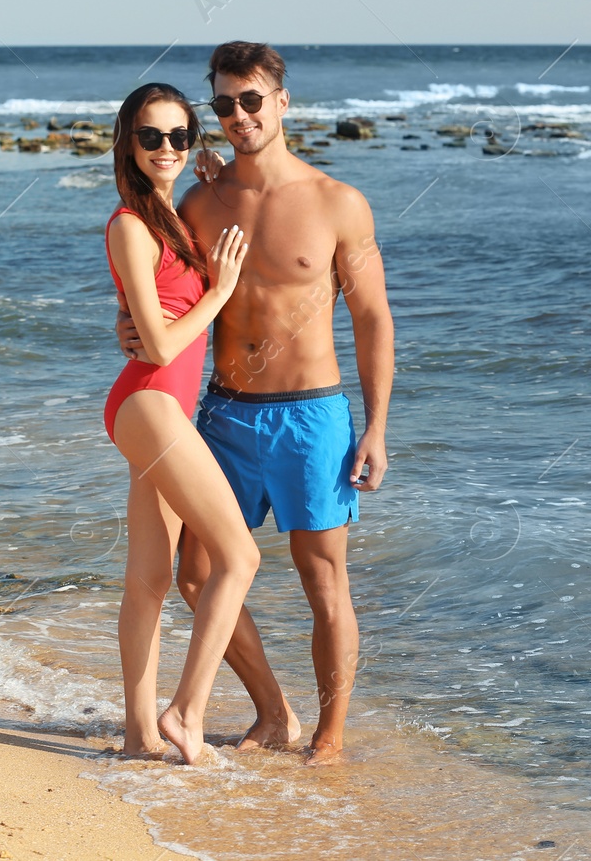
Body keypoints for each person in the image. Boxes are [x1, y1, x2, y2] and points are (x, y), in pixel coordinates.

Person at [119, 42, 394, 765]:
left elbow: (373, 318)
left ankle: (330, 738)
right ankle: (274, 711)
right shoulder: (200, 202)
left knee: (321, 575)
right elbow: (161, 294)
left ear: (281, 101)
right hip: (224, 413)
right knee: (195, 573)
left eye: (251, 99)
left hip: (313, 414)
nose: (238, 114)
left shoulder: (339, 203)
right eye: (223, 104)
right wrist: (128, 327)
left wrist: (377, 427)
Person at [102, 82, 260, 765]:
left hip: (157, 407)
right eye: (150, 136)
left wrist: (216, 177)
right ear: (127, 145)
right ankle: (186, 713)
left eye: (178, 135)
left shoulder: (173, 218)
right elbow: (163, 345)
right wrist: (220, 292)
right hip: (149, 402)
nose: (165, 148)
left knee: (149, 580)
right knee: (239, 556)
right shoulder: (130, 225)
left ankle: (139, 736)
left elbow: (161, 314)